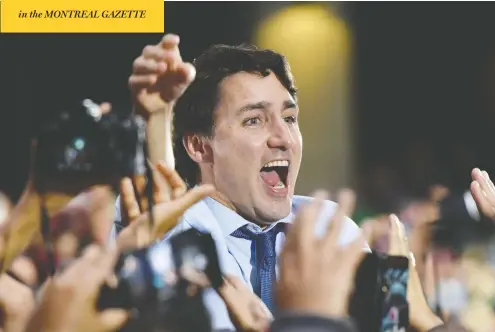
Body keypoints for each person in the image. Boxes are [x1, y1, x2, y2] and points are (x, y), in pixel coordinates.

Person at [111, 34, 367, 330]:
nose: (283, 138)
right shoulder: (177, 235)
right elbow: (153, 208)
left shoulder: (328, 231)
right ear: (199, 146)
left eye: (289, 117)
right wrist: (155, 117)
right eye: (253, 120)